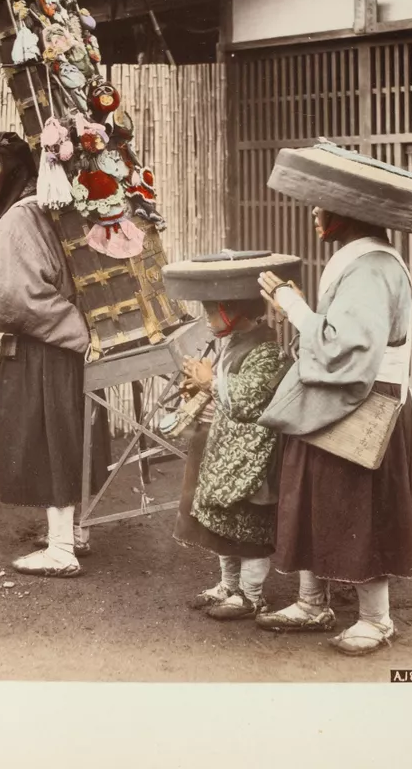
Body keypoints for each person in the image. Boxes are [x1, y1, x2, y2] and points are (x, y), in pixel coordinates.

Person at [254, 140, 412, 655]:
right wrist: (298, 311)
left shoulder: (372, 267)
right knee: (314, 492)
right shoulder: (362, 260)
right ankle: (312, 602)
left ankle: (376, 619)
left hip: (367, 400)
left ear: (345, 213)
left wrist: (293, 306)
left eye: (321, 205)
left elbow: (346, 348)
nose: (314, 213)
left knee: (358, 504)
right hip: (340, 395)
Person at [0, 131, 109, 578]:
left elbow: (13, 293)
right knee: (68, 435)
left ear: (12, 170)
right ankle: (77, 533)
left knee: (48, 438)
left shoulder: (18, 218)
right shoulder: (47, 206)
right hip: (69, 341)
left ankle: (61, 549)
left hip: (45, 345)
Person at [163, 252, 297, 621]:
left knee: (249, 529)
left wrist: (211, 382)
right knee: (223, 524)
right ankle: (228, 585)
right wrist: (202, 385)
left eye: (212, 312)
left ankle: (251, 595)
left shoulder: (267, 350)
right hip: (226, 450)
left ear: (233, 311)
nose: (208, 319)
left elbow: (247, 400)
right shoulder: (234, 343)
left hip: (251, 456)